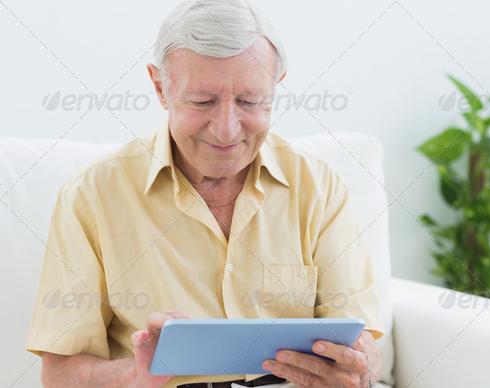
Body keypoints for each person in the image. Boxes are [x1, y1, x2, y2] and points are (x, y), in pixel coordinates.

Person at [26, 1, 385, 387]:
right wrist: (137, 374)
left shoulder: (321, 187)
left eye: (249, 101)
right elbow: (58, 374)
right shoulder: (91, 196)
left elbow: (362, 346)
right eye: (203, 101)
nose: (228, 129)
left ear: (276, 86)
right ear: (160, 88)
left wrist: (358, 370)